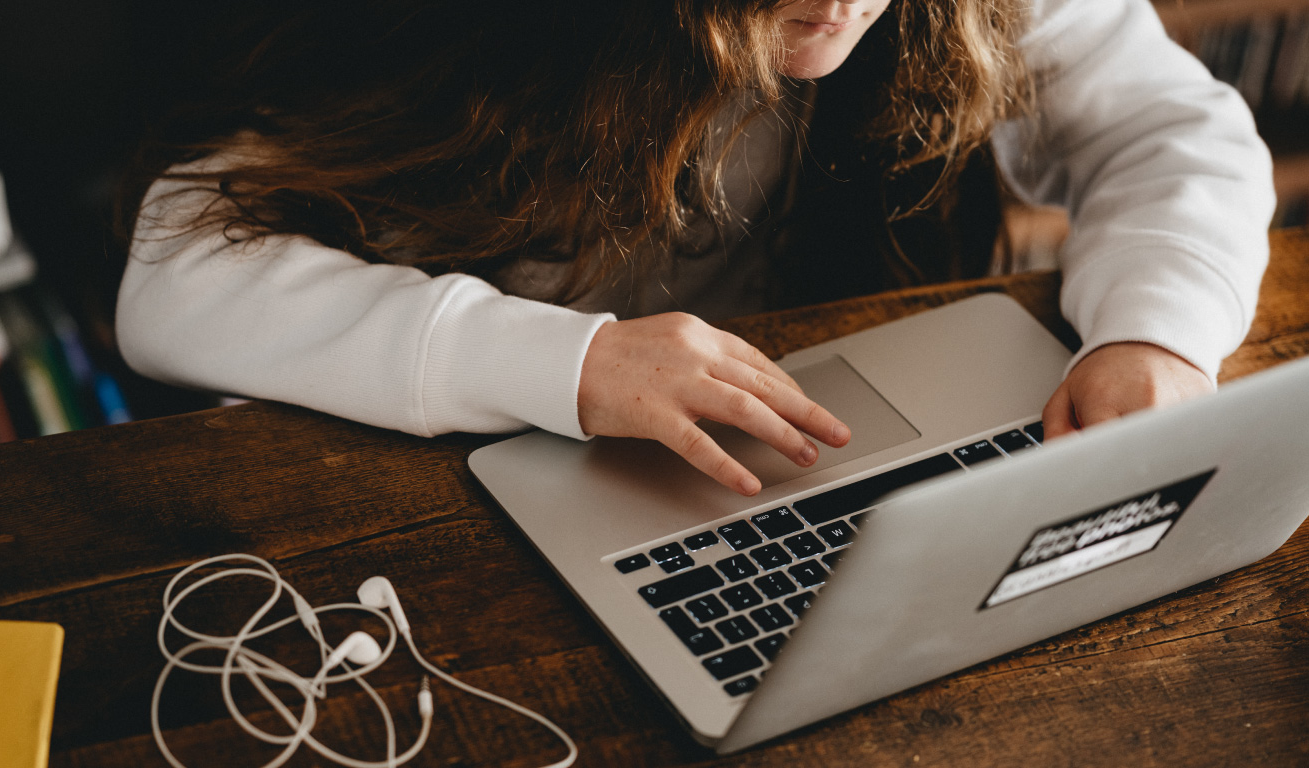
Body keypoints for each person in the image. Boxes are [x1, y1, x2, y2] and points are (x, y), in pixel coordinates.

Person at [116, 0, 1274, 496]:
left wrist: (1158, 334)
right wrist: (571, 365)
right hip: (463, 477)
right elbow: (177, 269)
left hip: (807, 446)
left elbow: (1167, 128)